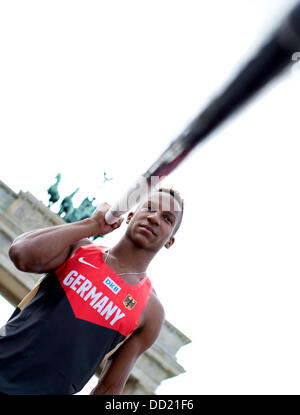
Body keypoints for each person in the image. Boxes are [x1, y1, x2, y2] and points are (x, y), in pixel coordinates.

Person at [0, 187, 184, 395]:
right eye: (149, 208)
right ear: (130, 215)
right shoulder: (79, 249)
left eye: (167, 218)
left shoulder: (151, 311)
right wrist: (92, 225)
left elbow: (109, 389)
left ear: (170, 241)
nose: (154, 218)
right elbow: (21, 254)